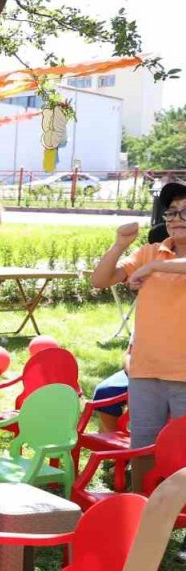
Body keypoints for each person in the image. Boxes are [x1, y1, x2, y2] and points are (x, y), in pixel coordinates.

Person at [91, 181, 186, 490]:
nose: (176, 219)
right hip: (146, 372)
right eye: (172, 212)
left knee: (182, 454)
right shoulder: (148, 253)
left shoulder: (154, 261)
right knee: (143, 448)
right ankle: (144, 515)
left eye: (185, 212)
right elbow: (100, 280)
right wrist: (119, 244)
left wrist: (157, 267)